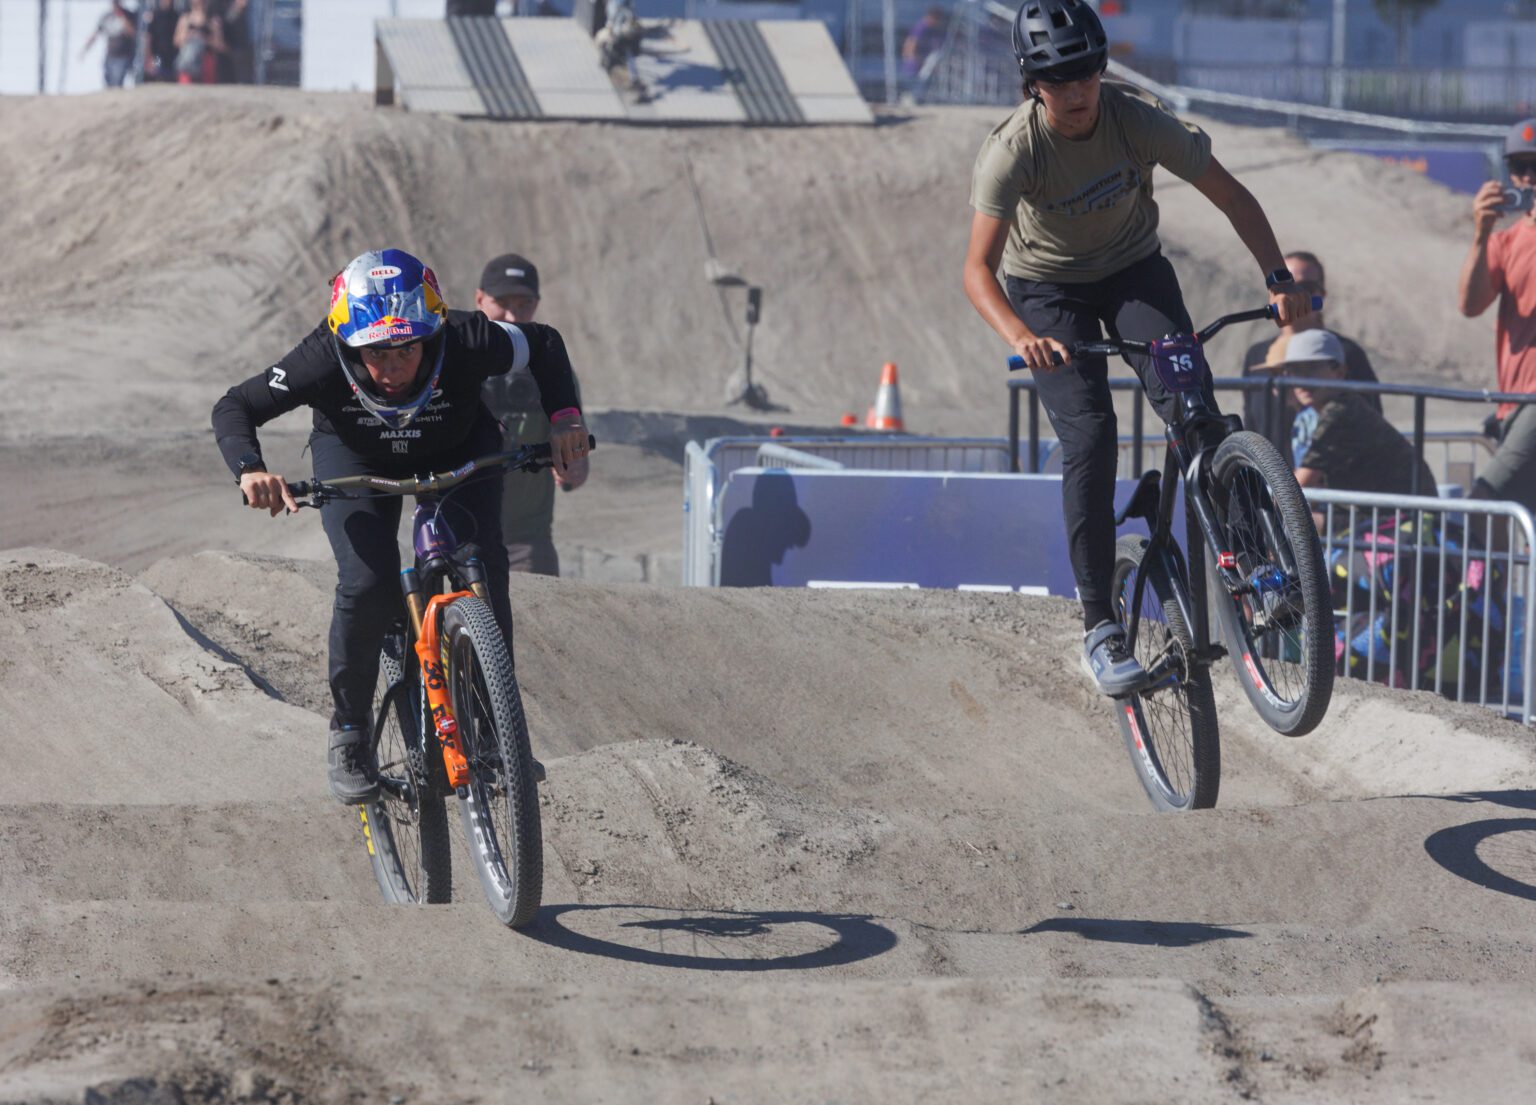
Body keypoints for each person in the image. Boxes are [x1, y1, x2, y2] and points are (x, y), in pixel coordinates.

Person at [962, 0, 1312, 696]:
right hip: (1046, 292)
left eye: (1087, 72)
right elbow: (976, 269)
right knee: (1093, 435)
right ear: (1033, 83)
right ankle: (1100, 625)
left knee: (1193, 406)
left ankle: (1253, 562)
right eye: (1058, 80)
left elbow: (1232, 196)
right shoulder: (1013, 150)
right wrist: (1022, 336)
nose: (1077, 92)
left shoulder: (1136, 119)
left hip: (1132, 272)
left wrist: (1278, 278)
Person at [212, 249, 588, 803]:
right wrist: (252, 471)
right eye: (375, 354)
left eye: (407, 350)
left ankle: (493, 736)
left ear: (431, 332)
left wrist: (565, 419)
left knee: (484, 563)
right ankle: (349, 732)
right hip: (355, 460)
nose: (391, 368)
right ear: (348, 342)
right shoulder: (319, 357)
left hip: (460, 450)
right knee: (367, 583)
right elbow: (235, 406)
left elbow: (546, 345)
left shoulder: (466, 337)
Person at [476, 253, 589, 577]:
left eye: (524, 304)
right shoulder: (454, 361)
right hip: (459, 529)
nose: (512, 315)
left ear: (537, 304)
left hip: (526, 542)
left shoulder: (551, 370)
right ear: (479, 298)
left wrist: (573, 464)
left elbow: (578, 453)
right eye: (502, 302)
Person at [1457, 117, 1536, 519]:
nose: (1527, 179)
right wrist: (1481, 232)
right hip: (1512, 404)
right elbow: (1470, 304)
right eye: (1518, 168)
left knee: (1483, 505)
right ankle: (1499, 583)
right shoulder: (1506, 240)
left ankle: (1489, 584)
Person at [1282, 330, 1435, 532]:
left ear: (1340, 372)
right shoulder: (1340, 406)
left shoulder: (1340, 411)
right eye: (1294, 370)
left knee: (1290, 523)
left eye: (1312, 367)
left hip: (1397, 520)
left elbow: (1300, 485)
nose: (1302, 379)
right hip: (1390, 513)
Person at [1240, 250, 1381, 453]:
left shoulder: (1346, 354)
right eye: (1285, 286)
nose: (1295, 295)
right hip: (1270, 481)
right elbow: (1252, 429)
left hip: (1328, 482)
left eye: (1307, 288)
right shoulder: (1256, 356)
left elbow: (1371, 426)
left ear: (1321, 295)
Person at [81, 1, 139, 89]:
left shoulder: (129, 15)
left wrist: (122, 19)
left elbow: (133, 34)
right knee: (108, 84)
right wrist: (85, 50)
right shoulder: (107, 16)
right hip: (109, 56)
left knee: (117, 84)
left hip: (124, 56)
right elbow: (95, 34)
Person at [174, 0, 225, 85]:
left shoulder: (213, 21)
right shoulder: (185, 19)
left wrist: (204, 39)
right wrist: (189, 36)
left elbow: (220, 45)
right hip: (189, 60)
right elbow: (177, 41)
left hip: (206, 60)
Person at [901, 6, 947, 81]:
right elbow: (909, 48)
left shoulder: (939, 30)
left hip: (930, 70)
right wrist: (924, 63)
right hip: (916, 70)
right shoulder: (921, 28)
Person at [143, 0, 181, 82]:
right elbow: (148, 37)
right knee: (155, 75)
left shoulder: (176, 16)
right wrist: (149, 56)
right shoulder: (155, 15)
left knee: (169, 79)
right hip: (157, 55)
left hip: (171, 55)